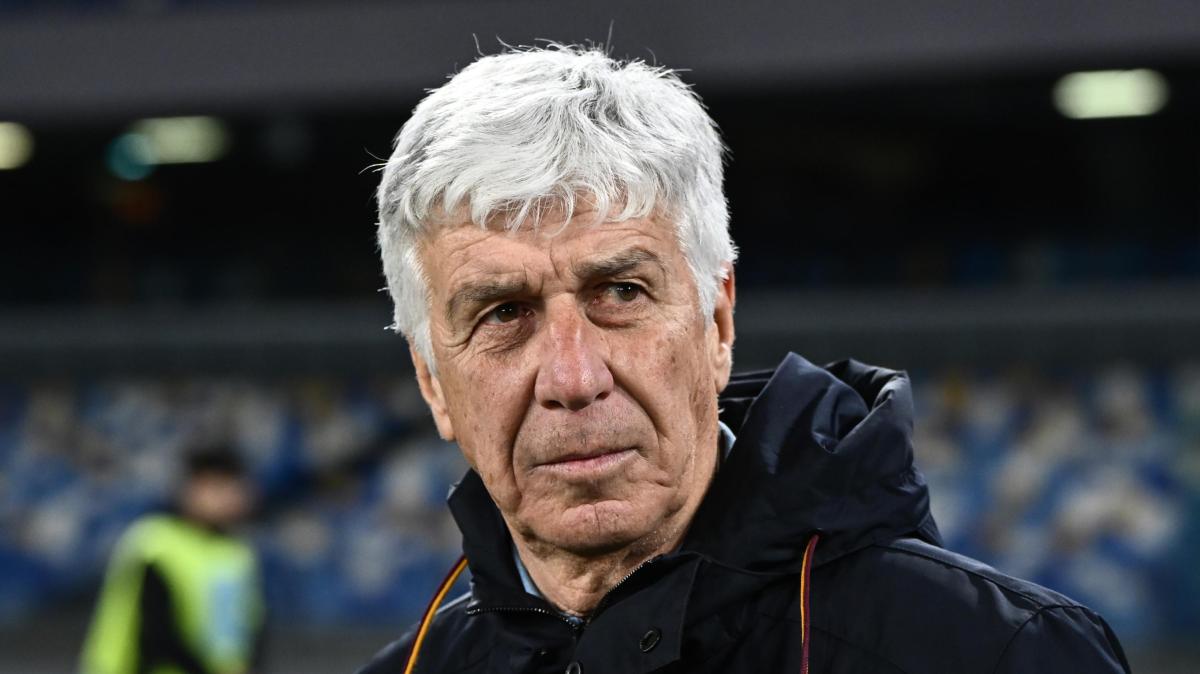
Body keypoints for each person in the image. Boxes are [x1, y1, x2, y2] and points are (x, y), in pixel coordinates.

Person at [358, 45, 1130, 673]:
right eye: (503, 313)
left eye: (620, 292)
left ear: (717, 322)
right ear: (433, 381)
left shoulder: (1004, 654)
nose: (574, 378)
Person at [81, 447, 266, 674]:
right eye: (216, 487)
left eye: (232, 487)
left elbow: (251, 628)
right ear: (189, 488)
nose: (226, 497)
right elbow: (156, 636)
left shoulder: (238, 554)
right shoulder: (154, 544)